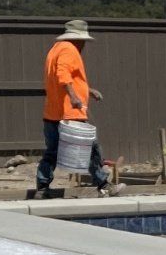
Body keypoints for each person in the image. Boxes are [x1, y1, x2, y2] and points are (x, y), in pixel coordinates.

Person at [34, 18, 113, 198]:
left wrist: (87, 90)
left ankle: (42, 187)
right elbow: (63, 75)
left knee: (51, 152)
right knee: (91, 150)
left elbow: (62, 78)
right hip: (70, 113)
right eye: (84, 41)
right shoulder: (69, 50)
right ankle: (103, 185)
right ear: (78, 39)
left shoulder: (55, 50)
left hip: (52, 113)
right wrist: (74, 96)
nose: (84, 45)